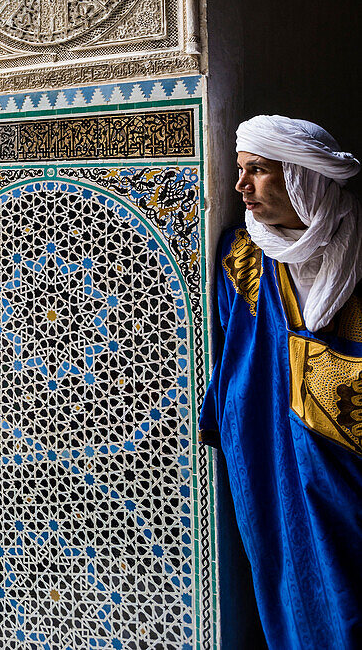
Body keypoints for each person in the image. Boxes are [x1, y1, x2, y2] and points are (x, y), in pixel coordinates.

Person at [200, 115, 362, 650]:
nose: (241, 186)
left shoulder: (356, 254)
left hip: (344, 475)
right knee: (289, 589)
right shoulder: (241, 258)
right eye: (241, 170)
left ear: (303, 177)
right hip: (269, 461)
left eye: (260, 171)